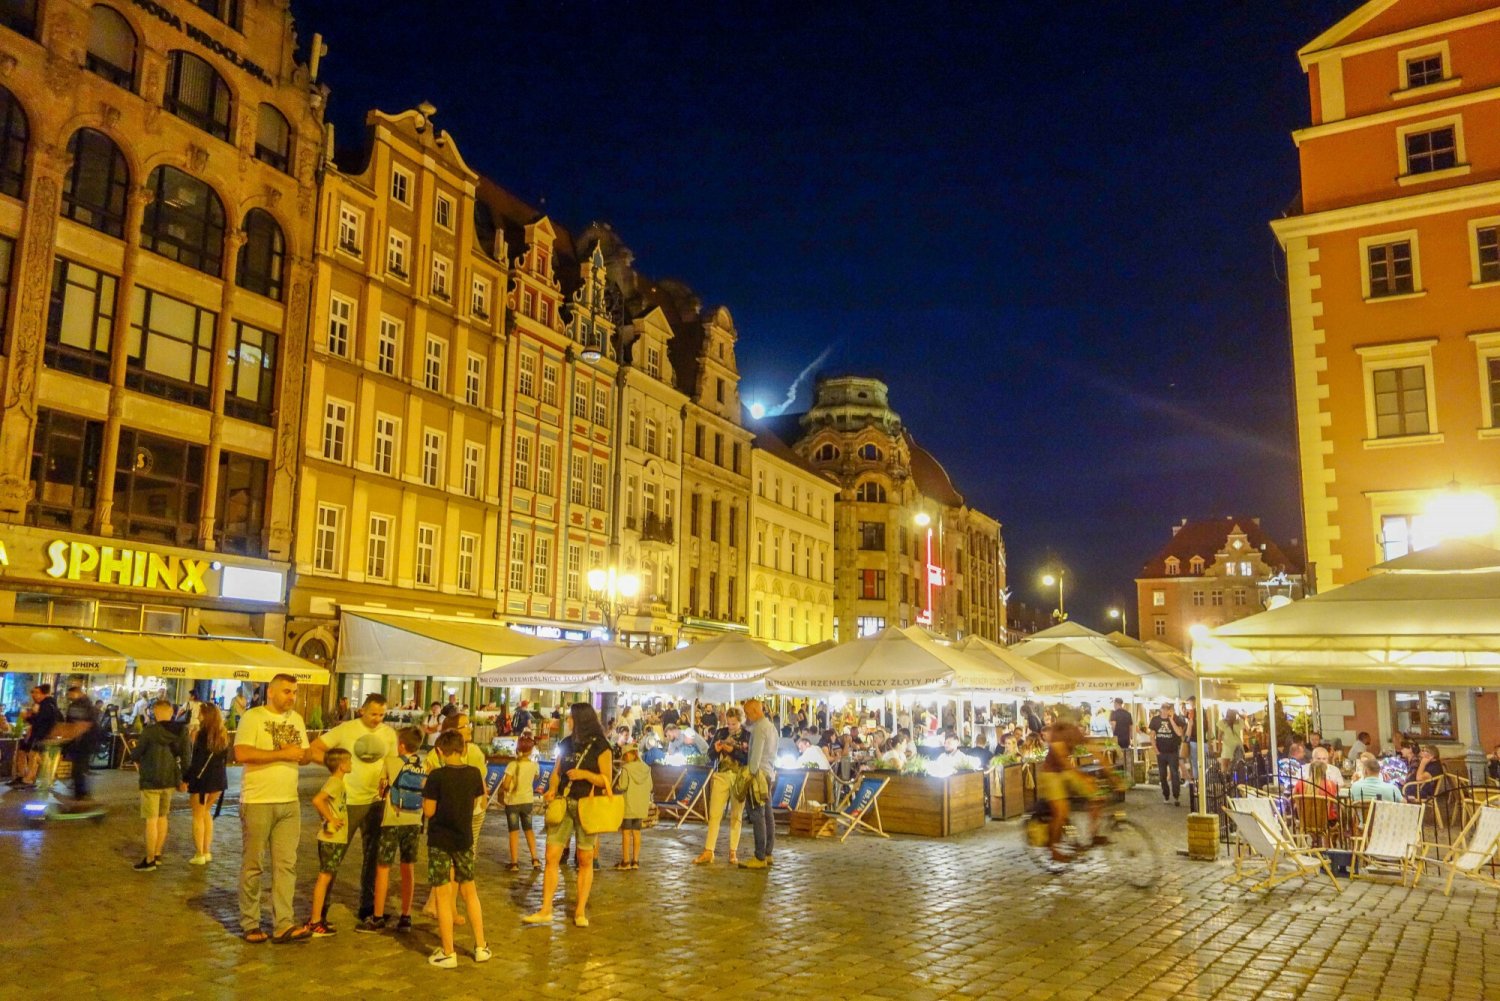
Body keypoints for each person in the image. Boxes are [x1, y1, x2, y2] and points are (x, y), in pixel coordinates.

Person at [234, 673, 311, 944]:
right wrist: (282, 753)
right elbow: (241, 753)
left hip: (289, 801)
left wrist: (308, 753)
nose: (292, 697)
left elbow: (303, 755)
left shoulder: (297, 719)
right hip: (258, 801)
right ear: (271, 692)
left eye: (295, 692)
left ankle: (283, 923)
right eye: (287, 691)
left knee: (286, 865)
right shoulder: (253, 717)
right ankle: (250, 922)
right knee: (253, 864)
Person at [309, 694, 397, 926]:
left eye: (382, 714)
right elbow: (315, 748)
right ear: (362, 711)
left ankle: (368, 907)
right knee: (333, 857)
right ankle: (320, 912)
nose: (377, 719)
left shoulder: (389, 734)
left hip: (376, 801)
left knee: (373, 857)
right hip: (346, 802)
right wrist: (334, 767)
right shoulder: (346, 729)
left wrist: (389, 782)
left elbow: (392, 763)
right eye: (373, 714)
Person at [525, 702, 613, 927]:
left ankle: (580, 910)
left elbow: (607, 780)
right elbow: (557, 772)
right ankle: (546, 908)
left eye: (571, 718)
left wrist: (585, 774)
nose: (568, 721)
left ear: (581, 719)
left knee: (585, 858)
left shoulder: (601, 746)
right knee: (551, 855)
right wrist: (552, 788)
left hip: (587, 805)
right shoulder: (566, 743)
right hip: (563, 803)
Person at [421, 730, 490, 967]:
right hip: (464, 839)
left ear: (440, 751)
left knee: (443, 895)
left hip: (440, 840)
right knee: (470, 892)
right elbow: (478, 802)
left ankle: (448, 952)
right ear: (463, 749)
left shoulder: (436, 776)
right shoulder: (473, 773)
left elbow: (429, 811)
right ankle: (481, 946)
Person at [363, 725, 427, 934]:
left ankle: (378, 916)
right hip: (414, 821)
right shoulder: (423, 764)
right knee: (408, 868)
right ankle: (406, 916)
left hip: (392, 820)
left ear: (401, 745)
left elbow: (381, 789)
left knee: (383, 867)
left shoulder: (390, 762)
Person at [1038, 712, 1106, 863]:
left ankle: (1093, 834)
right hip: (1051, 773)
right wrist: (1082, 776)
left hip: (1066, 771)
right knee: (1061, 811)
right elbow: (1063, 759)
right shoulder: (1057, 733)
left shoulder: (1074, 731)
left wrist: (1111, 773)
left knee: (1097, 794)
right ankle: (1053, 849)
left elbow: (1095, 750)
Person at [130, 699, 189, 871]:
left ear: (155, 712)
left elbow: (136, 754)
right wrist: (185, 779)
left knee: (151, 820)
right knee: (163, 817)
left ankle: (149, 860)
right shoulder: (182, 730)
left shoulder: (150, 731)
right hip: (170, 779)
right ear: (171, 712)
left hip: (150, 779)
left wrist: (135, 754)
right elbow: (186, 756)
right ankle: (157, 853)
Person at [305, 747, 353, 938]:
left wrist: (327, 817)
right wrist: (331, 819)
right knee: (324, 878)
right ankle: (315, 921)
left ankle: (318, 919)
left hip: (334, 837)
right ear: (341, 765)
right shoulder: (335, 782)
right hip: (331, 838)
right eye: (349, 761)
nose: (351, 764)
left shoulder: (337, 782)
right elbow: (318, 800)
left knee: (327, 877)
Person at [694, 705, 750, 865]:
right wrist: (716, 749)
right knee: (714, 813)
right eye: (729, 723)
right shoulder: (720, 733)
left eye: (734, 724)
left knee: (736, 815)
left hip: (739, 777)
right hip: (721, 776)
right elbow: (710, 755)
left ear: (741, 721)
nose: (730, 727)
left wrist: (732, 751)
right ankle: (709, 850)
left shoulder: (747, 736)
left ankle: (733, 851)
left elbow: (747, 758)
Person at [185, 701, 231, 865]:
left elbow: (196, 762)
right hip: (218, 780)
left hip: (202, 780)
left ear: (206, 715)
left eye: (200, 713)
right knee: (206, 813)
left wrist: (186, 779)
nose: (197, 715)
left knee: (198, 816)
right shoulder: (223, 735)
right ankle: (207, 850)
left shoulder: (201, 734)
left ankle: (199, 853)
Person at [738, 698, 777, 871]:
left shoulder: (760, 728)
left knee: (757, 815)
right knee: (767, 814)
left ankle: (759, 856)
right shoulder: (771, 727)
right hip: (768, 773)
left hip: (759, 775)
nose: (746, 717)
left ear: (755, 711)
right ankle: (768, 852)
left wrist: (749, 775)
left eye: (747, 713)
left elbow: (755, 758)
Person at [502, 736, 541, 872]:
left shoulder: (512, 765)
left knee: (514, 832)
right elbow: (535, 777)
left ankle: (514, 863)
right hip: (527, 801)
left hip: (513, 802)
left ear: (518, 749)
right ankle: (535, 860)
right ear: (531, 750)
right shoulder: (534, 765)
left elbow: (506, 785)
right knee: (529, 830)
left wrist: (507, 789)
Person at [12, 684, 61, 788]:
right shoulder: (40, 704)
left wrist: (27, 718)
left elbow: (40, 721)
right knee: (23, 752)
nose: (33, 695)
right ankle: (22, 775)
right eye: (32, 692)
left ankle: (29, 779)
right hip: (35, 733)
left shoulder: (47, 705)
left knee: (33, 755)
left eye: (36, 692)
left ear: (43, 694)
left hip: (41, 735)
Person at [57, 683, 100, 802]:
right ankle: (81, 791)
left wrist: (70, 734)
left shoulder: (80, 705)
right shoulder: (85, 704)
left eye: (70, 694)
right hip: (84, 741)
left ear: (76, 693)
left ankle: (80, 793)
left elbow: (81, 725)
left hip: (82, 742)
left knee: (79, 767)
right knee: (79, 767)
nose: (68, 696)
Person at [615, 744, 652, 870]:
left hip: (628, 805)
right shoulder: (646, 768)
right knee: (637, 832)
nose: (624, 758)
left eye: (625, 756)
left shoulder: (626, 769)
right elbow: (651, 786)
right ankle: (635, 861)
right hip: (641, 806)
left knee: (626, 832)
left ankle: (626, 861)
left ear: (630, 755)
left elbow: (622, 786)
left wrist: (616, 787)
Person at [1150, 702, 1186, 806]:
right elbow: (1152, 736)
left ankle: (1176, 796)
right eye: (1164, 708)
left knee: (1174, 774)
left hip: (1172, 751)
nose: (1165, 710)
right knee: (1162, 775)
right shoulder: (1155, 720)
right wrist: (1156, 750)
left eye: (1168, 709)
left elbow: (1179, 733)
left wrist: (1171, 720)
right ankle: (1166, 795)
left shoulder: (1176, 719)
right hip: (1161, 752)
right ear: (1160, 709)